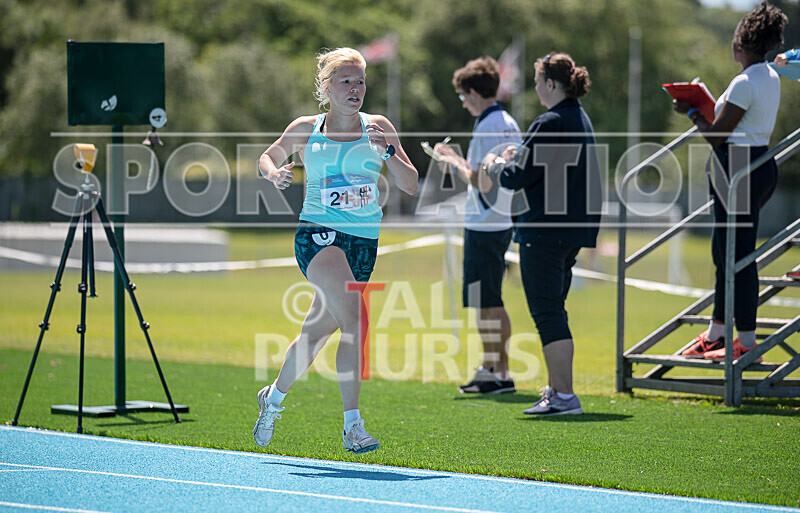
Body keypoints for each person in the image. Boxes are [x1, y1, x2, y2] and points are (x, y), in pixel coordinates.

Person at [254, 48, 418, 453]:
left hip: (363, 244)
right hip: (318, 236)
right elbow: (268, 156)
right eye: (346, 81)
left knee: (314, 335)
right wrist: (274, 173)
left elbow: (411, 183)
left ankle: (272, 399)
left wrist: (387, 152)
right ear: (327, 88)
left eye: (360, 81)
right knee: (356, 322)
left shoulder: (378, 127)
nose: (355, 88)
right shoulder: (306, 128)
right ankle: (352, 426)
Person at [483, 52, 600, 415]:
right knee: (555, 311)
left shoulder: (550, 120)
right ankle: (557, 389)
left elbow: (517, 177)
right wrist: (518, 157)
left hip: (546, 231)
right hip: (571, 230)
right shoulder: (578, 117)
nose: (535, 88)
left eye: (537, 82)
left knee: (548, 313)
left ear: (551, 83)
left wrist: (494, 165)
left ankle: (563, 395)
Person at [675, 1, 787, 361]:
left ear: (742, 43)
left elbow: (717, 135)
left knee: (738, 256)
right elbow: (733, 120)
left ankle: (747, 343)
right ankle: (717, 334)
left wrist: (691, 111)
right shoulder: (767, 75)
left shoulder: (744, 81)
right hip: (755, 163)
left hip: (738, 165)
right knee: (724, 252)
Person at [432, 57, 522, 395]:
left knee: (488, 301)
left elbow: (480, 180)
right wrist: (457, 159)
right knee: (487, 299)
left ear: (472, 92)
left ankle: (497, 371)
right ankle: (494, 370)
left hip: (486, 222)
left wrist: (450, 162)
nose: (463, 102)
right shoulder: (507, 121)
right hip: (499, 219)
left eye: (462, 96)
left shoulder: (487, 126)